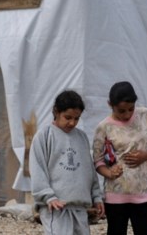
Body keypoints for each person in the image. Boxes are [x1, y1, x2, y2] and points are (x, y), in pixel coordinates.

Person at [93, 81, 147, 235]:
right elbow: (98, 160)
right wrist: (109, 173)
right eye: (121, 111)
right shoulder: (104, 127)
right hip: (116, 193)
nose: (127, 114)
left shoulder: (145, 116)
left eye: (130, 109)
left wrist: (145, 155)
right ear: (110, 105)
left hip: (144, 191)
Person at [31, 90, 104, 235]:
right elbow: (37, 168)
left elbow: (88, 170)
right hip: (56, 207)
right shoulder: (44, 136)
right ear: (56, 112)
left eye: (77, 118)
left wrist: (96, 196)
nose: (72, 122)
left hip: (79, 207)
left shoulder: (81, 137)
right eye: (67, 117)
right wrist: (48, 197)